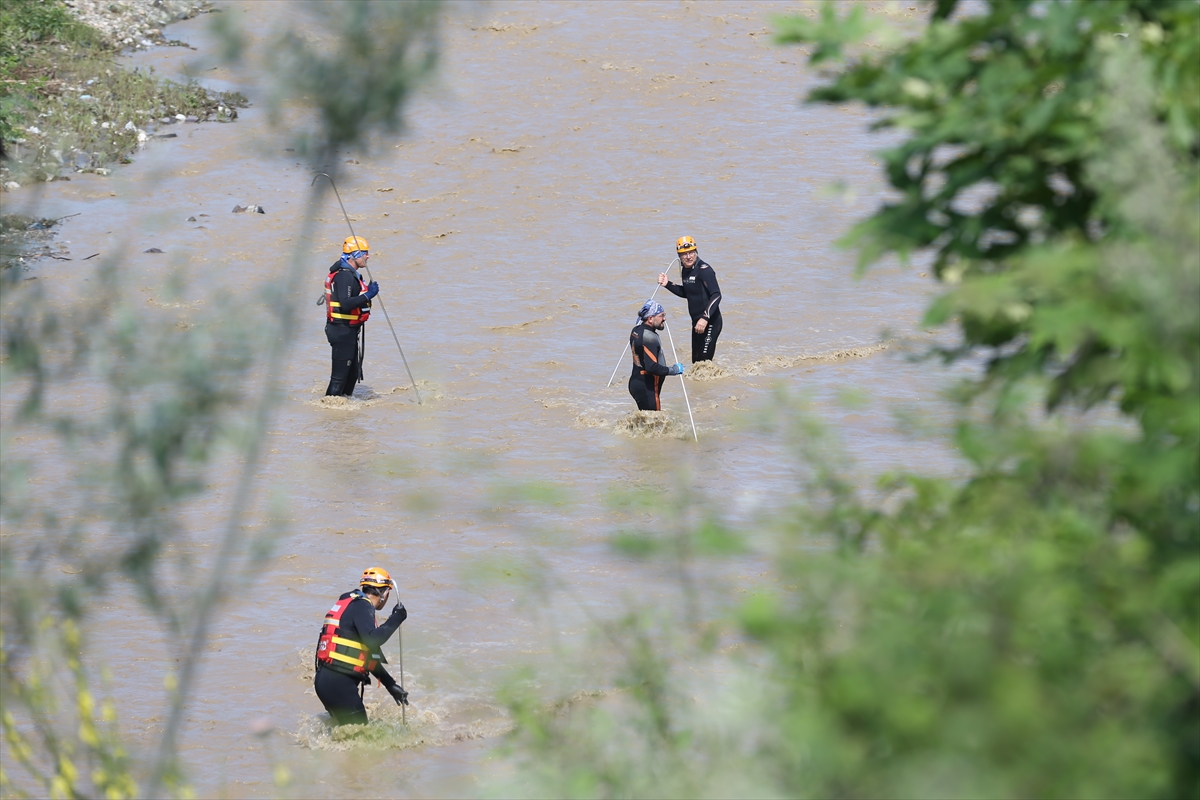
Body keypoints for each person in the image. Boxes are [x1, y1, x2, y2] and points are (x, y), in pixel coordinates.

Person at [313, 566, 409, 726]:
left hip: (325, 680)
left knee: (346, 734)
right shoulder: (362, 605)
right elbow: (372, 640)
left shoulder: (351, 603)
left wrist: (390, 685)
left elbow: (365, 656)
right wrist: (397, 618)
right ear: (385, 593)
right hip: (339, 683)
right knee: (362, 736)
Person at [324, 235, 379, 396]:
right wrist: (368, 295)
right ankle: (330, 405)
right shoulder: (345, 276)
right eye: (365, 253)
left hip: (349, 330)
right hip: (341, 330)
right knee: (339, 378)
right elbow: (346, 304)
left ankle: (345, 406)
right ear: (355, 255)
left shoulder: (350, 274)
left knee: (353, 373)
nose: (368, 256)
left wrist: (366, 293)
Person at [658, 235, 723, 362]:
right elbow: (688, 292)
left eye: (691, 252)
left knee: (704, 362)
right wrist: (667, 284)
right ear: (679, 256)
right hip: (696, 323)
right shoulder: (685, 270)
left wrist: (705, 318)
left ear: (696, 252)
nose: (688, 257)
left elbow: (716, 295)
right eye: (684, 254)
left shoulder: (704, 270)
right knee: (696, 362)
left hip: (710, 322)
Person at [628, 299, 685, 411]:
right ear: (650, 318)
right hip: (647, 387)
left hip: (636, 382)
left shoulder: (636, 330)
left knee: (647, 419)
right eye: (661, 316)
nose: (664, 319)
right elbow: (652, 367)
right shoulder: (650, 338)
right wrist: (673, 370)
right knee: (655, 420)